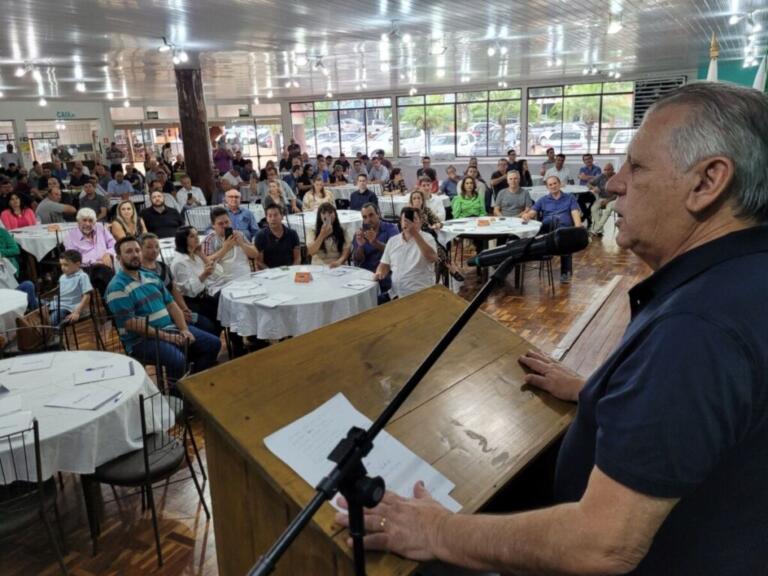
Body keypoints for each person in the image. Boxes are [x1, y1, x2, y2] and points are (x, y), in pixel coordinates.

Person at [337, 82, 768, 576]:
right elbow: (706, 411)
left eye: (638, 166)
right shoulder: (742, 279)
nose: (614, 184)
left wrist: (434, 530)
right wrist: (601, 391)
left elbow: (603, 545)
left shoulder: (699, 328)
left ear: (708, 181)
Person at [106, 236, 221, 381]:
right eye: (128, 251)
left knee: (213, 344)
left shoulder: (151, 277)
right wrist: (168, 336)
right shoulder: (117, 286)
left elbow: (171, 304)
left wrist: (184, 329)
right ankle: (177, 399)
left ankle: (190, 384)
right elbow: (131, 324)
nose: (135, 254)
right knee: (177, 359)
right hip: (141, 341)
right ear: (118, 257)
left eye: (137, 250)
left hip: (170, 327)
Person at [521, 175, 582, 283]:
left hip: (564, 230)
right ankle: (522, 256)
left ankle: (565, 272)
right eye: (550, 184)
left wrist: (578, 231)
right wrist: (527, 215)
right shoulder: (543, 200)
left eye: (555, 183)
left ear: (559, 184)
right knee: (546, 225)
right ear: (547, 187)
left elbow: (575, 214)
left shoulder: (570, 198)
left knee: (565, 239)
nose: (553, 186)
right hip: (548, 230)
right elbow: (532, 212)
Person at [374, 207, 438, 299]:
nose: (409, 223)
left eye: (414, 219)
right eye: (405, 220)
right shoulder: (393, 241)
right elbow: (384, 264)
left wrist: (415, 233)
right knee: (369, 305)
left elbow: (432, 258)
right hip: (395, 294)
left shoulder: (428, 238)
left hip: (420, 295)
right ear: (401, 222)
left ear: (420, 222)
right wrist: (380, 272)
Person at [64, 207, 116, 294]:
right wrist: (93, 262)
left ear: (95, 222)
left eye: (91, 221)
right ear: (78, 222)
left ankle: (109, 298)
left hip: (106, 264)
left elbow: (115, 245)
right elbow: (72, 258)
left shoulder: (100, 228)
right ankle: (111, 298)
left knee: (107, 271)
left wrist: (107, 253)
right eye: (84, 220)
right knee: (103, 272)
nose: (87, 224)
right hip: (85, 268)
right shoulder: (70, 236)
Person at [353, 202, 399, 295]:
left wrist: (375, 242)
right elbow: (357, 260)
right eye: (365, 217)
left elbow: (395, 253)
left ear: (378, 214)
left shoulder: (391, 229)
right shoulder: (360, 233)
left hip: (386, 273)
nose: (368, 219)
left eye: (371, 215)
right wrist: (361, 246)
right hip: (365, 275)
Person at [202, 206, 259, 281]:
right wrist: (225, 248)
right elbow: (206, 262)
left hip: (246, 276)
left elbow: (255, 254)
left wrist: (242, 244)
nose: (225, 226)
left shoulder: (239, 234)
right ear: (213, 225)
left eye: (227, 222)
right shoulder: (209, 239)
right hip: (223, 280)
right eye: (220, 224)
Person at [52, 250, 93, 326]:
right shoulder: (62, 277)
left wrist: (77, 312)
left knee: (54, 318)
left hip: (69, 307)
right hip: (57, 303)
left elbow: (87, 296)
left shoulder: (82, 276)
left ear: (77, 264)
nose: (62, 268)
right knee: (38, 307)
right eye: (61, 265)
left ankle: (55, 335)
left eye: (66, 265)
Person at [254, 204, 301, 269]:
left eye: (276, 215)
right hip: (269, 273)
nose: (273, 219)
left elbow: (297, 258)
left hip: (289, 271)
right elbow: (259, 261)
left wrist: (292, 271)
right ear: (266, 218)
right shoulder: (260, 235)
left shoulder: (292, 234)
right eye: (270, 216)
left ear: (282, 216)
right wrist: (271, 272)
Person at [588, 163, 617, 237]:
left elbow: (618, 193)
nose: (606, 171)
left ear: (612, 170)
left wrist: (608, 201)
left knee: (607, 210)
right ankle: (600, 229)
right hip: (602, 198)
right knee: (593, 209)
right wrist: (593, 188)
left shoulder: (617, 177)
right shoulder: (601, 176)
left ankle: (595, 230)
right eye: (605, 170)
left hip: (613, 199)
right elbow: (589, 183)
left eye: (608, 170)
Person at [577, 154, 602, 229]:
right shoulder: (582, 169)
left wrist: (586, 177)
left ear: (592, 159)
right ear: (583, 161)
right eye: (586, 159)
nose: (588, 160)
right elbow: (581, 177)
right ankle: (588, 218)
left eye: (589, 159)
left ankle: (585, 216)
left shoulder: (597, 168)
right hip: (583, 190)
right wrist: (592, 177)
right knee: (579, 200)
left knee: (593, 200)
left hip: (593, 190)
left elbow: (598, 179)